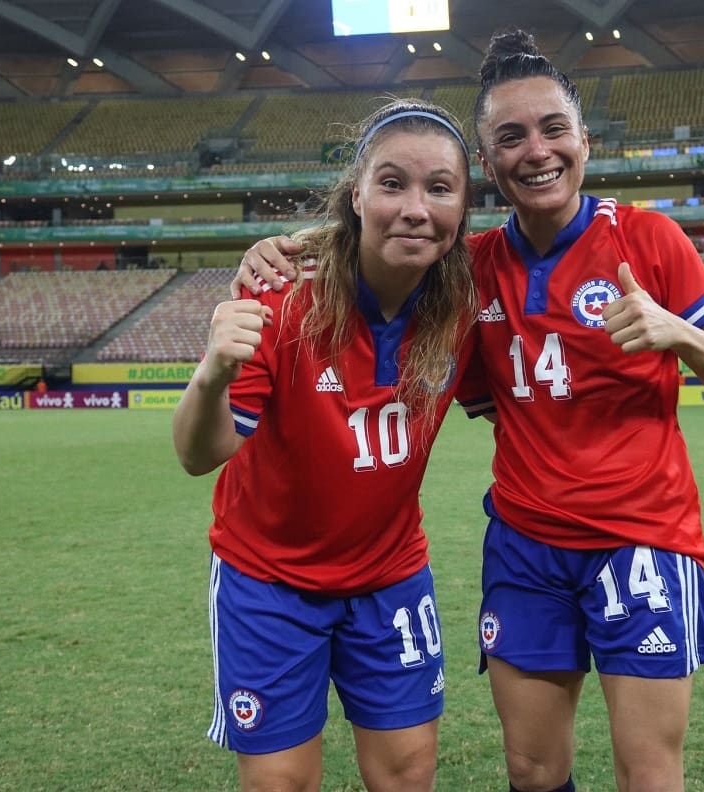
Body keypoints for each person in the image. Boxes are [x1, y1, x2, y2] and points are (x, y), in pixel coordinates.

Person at [234, 30, 704, 792]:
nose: (537, 151)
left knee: (649, 772)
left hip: (642, 539)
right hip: (525, 546)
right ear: (487, 164)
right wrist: (283, 245)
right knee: (531, 768)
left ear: (584, 140)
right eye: (511, 137)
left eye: (554, 129)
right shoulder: (472, 270)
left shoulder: (649, 239)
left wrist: (675, 332)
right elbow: (384, 240)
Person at [175, 98, 476, 792]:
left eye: (439, 188)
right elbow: (197, 454)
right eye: (392, 183)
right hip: (269, 581)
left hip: (390, 576)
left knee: (408, 773)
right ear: (357, 195)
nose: (415, 208)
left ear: (463, 209)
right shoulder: (282, 297)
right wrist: (211, 374)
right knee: (280, 782)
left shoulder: (466, 298)